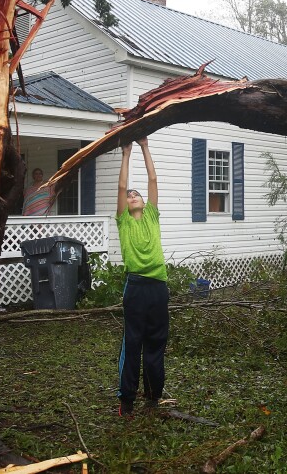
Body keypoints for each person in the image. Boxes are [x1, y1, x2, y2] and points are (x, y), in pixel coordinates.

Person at [116, 137, 168, 417]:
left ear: (145, 202)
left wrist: (146, 146)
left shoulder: (152, 216)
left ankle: (153, 395)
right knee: (132, 342)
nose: (132, 195)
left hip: (159, 286)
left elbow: (153, 179)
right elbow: (122, 186)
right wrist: (127, 152)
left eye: (137, 194)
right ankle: (127, 400)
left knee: (156, 341)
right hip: (135, 287)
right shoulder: (123, 221)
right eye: (129, 196)